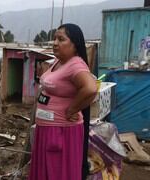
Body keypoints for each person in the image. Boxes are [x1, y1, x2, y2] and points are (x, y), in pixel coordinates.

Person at [28, 23, 97, 180]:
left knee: (57, 172)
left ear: (75, 44)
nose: (55, 43)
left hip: (60, 132)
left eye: (61, 39)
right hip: (47, 129)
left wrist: (72, 109)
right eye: (54, 39)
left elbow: (91, 88)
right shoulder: (58, 62)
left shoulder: (76, 65)